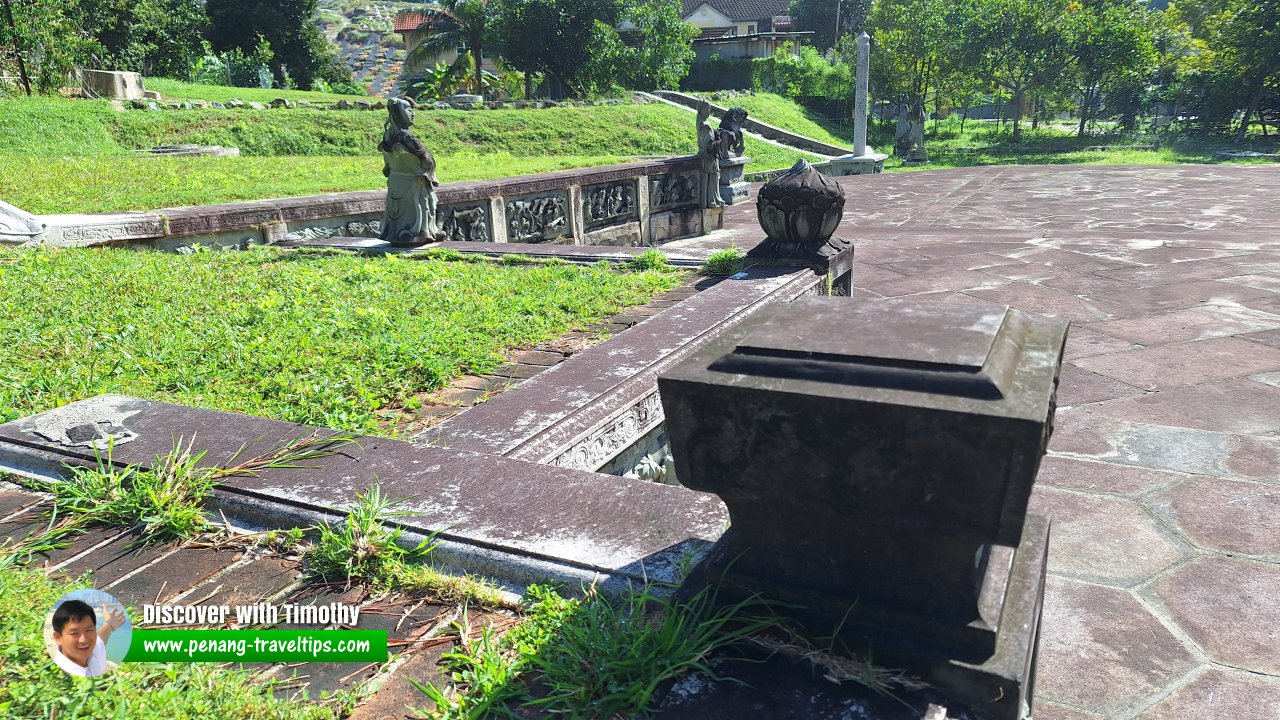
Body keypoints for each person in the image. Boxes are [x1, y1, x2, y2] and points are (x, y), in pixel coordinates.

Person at [378, 98, 445, 246]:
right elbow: (426, 161)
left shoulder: (388, 134)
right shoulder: (407, 136)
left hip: (396, 181)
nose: (413, 113)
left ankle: (398, 233)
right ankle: (420, 233)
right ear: (398, 113)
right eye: (408, 109)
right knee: (424, 204)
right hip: (413, 182)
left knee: (400, 212)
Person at [51, 599, 125, 678]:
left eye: (88, 630)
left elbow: (100, 638)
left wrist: (110, 624)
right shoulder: (61, 675)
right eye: (74, 633)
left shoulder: (94, 650)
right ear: (58, 638)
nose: (84, 640)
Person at [696, 101, 723, 209]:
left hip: (711, 157)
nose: (709, 112)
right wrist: (718, 143)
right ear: (701, 110)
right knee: (712, 176)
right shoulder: (704, 125)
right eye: (707, 109)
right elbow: (705, 145)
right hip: (708, 157)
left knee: (715, 175)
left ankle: (715, 198)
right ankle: (711, 199)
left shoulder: (705, 123)